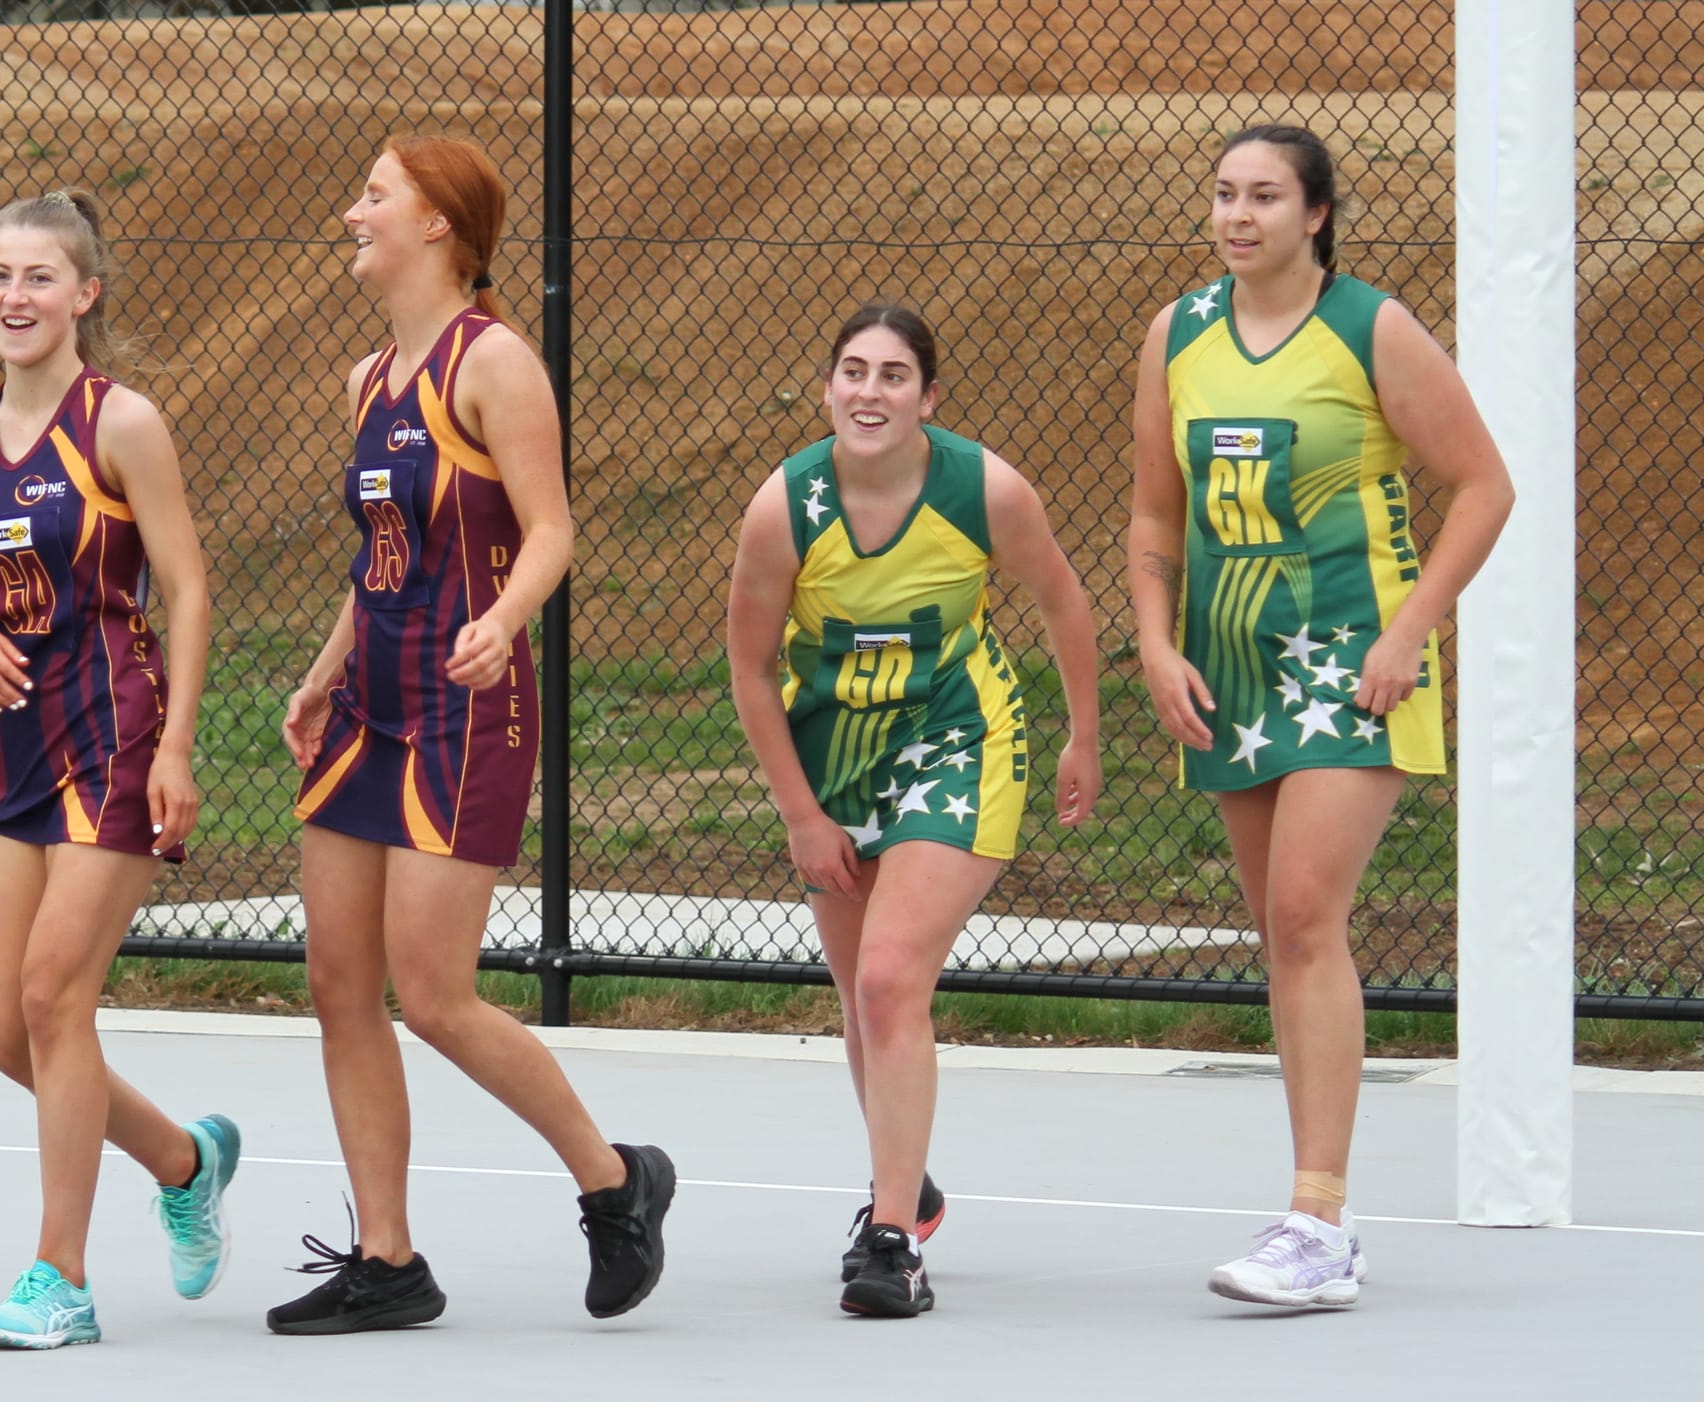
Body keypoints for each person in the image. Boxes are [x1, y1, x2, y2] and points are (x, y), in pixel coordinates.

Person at [266, 134, 674, 1336]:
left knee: (434, 994)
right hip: (370, 705)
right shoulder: (366, 380)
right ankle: (388, 1259)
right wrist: (321, 670)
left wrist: (501, 621)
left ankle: (613, 1179)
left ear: (438, 222)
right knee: (340, 985)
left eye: (374, 194)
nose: (354, 211)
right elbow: (378, 557)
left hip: (465, 702)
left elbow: (549, 530)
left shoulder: (492, 363)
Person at [1127, 124, 1515, 1308]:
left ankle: (1317, 1221)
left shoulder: (1369, 328)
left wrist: (1411, 632)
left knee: (1303, 911)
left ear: (1315, 215)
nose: (1236, 215)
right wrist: (1150, 642)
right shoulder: (1177, 334)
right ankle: (1310, 1210)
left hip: (1352, 661)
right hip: (1229, 672)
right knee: (1285, 939)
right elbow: (1153, 519)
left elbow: (1483, 484)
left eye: (1263, 197)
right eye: (1222, 193)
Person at [727, 304, 1102, 1317]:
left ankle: (889, 1236)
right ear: (826, 388)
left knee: (890, 980)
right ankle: (909, 1182)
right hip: (834, 759)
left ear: (927, 398)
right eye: (851, 370)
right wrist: (800, 812)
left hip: (956, 741)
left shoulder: (983, 489)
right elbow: (750, 668)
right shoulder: (785, 505)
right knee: (862, 997)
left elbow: (1064, 601)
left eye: (893, 375)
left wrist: (1082, 734)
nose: (868, 391)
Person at [0, 187, 231, 1348]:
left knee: (57, 996)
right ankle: (183, 1158)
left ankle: (61, 1277)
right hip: (3, 738)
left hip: (110, 729)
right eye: (1, 275)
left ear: (84, 294)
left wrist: (180, 745)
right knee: (8, 1031)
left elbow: (189, 589)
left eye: (40, 277)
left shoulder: (122, 422)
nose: (15, 297)